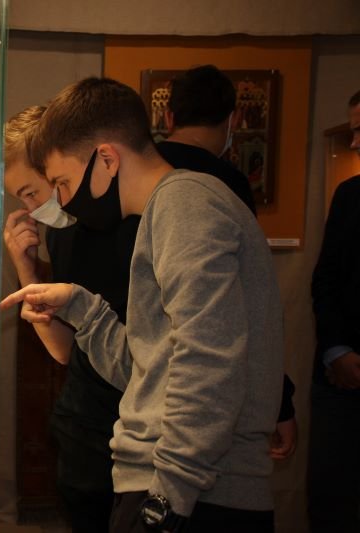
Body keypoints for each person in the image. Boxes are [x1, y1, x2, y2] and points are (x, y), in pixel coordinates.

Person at [0, 77, 284, 533]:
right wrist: (81, 308)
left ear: (107, 159)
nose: (63, 201)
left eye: (62, 183)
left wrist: (168, 496)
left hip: (190, 492)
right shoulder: (164, 210)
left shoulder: (185, 203)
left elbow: (208, 359)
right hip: (165, 482)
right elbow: (150, 371)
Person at [3, 105, 139, 531]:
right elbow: (64, 350)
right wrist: (26, 268)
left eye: (32, 191)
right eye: (20, 199)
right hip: (84, 424)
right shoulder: (61, 233)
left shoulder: (128, 225)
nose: (30, 208)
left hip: (128, 426)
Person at [158, 64, 297, 461]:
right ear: (233, 120)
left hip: (138, 372)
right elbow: (248, 300)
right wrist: (279, 400)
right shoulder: (230, 184)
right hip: (209, 379)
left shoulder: (141, 172)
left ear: (168, 117)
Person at [307, 89, 360, 533]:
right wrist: (338, 351)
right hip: (342, 378)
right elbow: (325, 278)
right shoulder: (350, 194)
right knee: (332, 502)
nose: (355, 143)